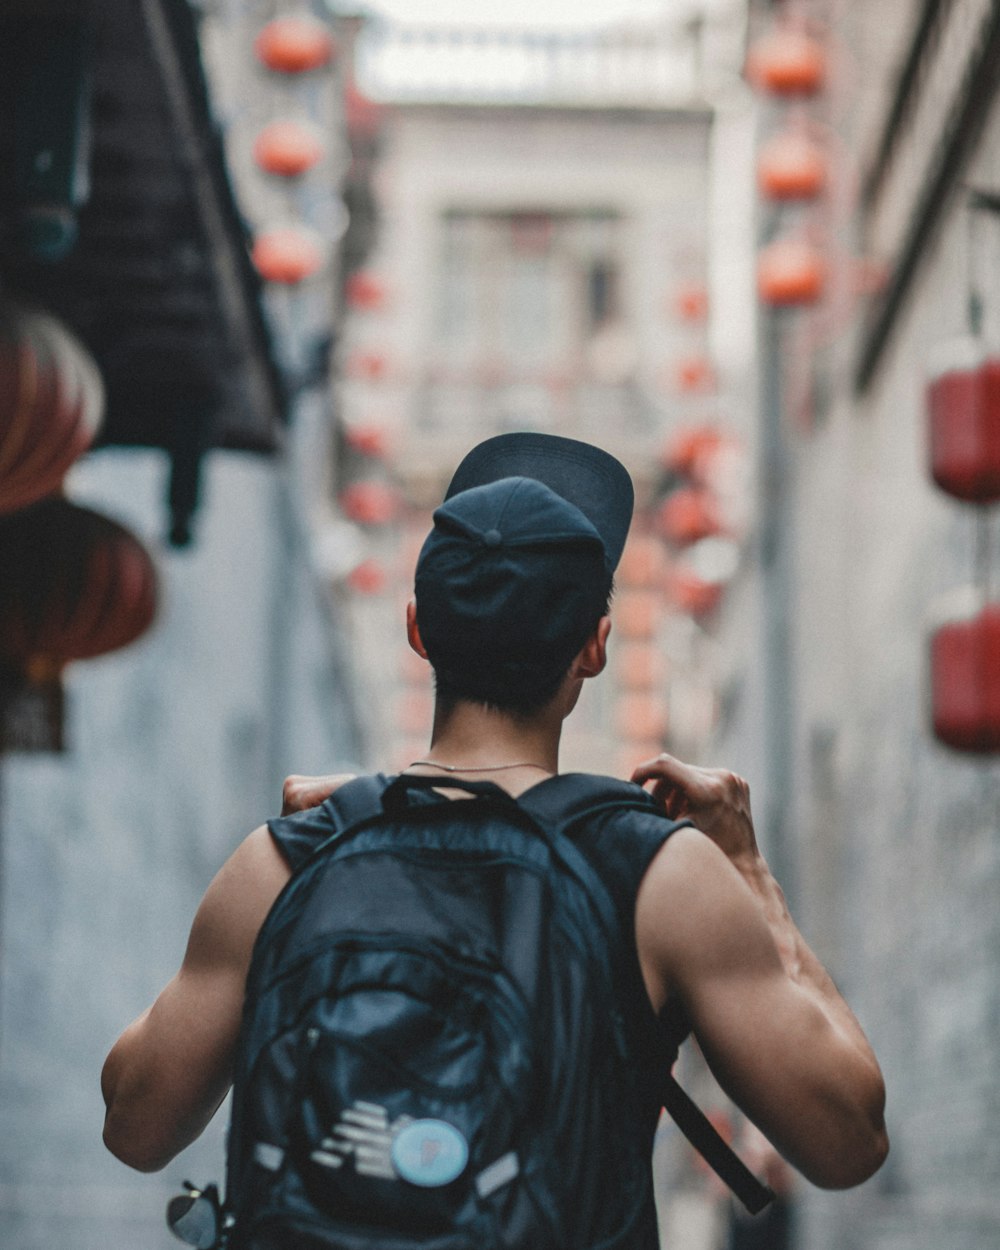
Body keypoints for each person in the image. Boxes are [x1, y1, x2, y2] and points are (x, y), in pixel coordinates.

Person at [101, 433, 888, 1227]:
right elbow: (848, 1140)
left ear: (418, 629)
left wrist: (342, 836)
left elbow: (135, 1125)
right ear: (594, 648)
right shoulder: (659, 878)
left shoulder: (284, 863)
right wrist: (748, 869)